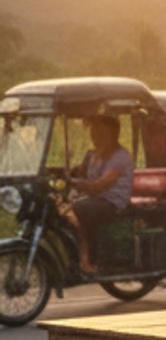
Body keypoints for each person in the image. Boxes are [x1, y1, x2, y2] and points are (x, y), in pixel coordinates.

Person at [67, 116, 134, 274]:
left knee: (77, 209)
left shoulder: (121, 157)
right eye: (93, 133)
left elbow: (99, 186)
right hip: (94, 200)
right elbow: (78, 173)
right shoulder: (92, 155)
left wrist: (74, 183)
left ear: (113, 134)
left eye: (100, 134)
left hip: (112, 203)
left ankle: (87, 260)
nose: (95, 138)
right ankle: (75, 258)